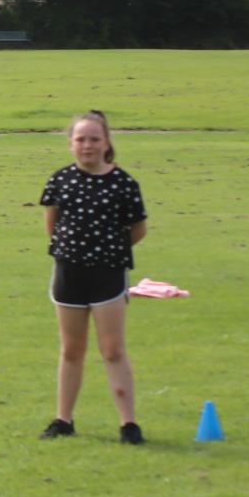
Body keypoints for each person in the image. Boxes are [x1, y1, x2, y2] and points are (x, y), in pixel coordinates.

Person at [38, 110, 148, 444]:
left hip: (108, 276)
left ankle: (128, 424)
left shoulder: (124, 183)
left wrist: (106, 251)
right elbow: (51, 226)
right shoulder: (60, 180)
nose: (87, 145)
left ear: (106, 143)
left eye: (94, 139)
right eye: (81, 139)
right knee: (71, 350)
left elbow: (138, 230)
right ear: (71, 144)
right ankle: (63, 420)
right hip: (69, 274)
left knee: (112, 350)